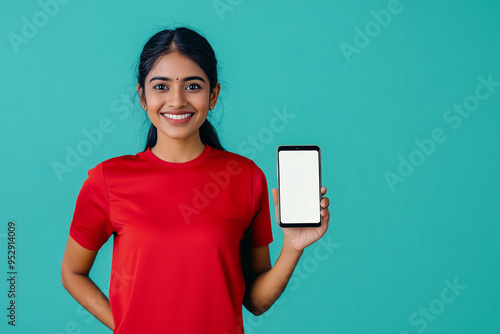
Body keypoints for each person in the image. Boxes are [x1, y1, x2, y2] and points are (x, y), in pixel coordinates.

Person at [61, 27, 331, 334]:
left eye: (192, 86)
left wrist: (293, 248)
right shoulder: (108, 180)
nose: (176, 101)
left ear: (213, 95)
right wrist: (125, 324)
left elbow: (255, 302)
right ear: (142, 96)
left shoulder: (245, 177)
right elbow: (72, 272)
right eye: (161, 86)